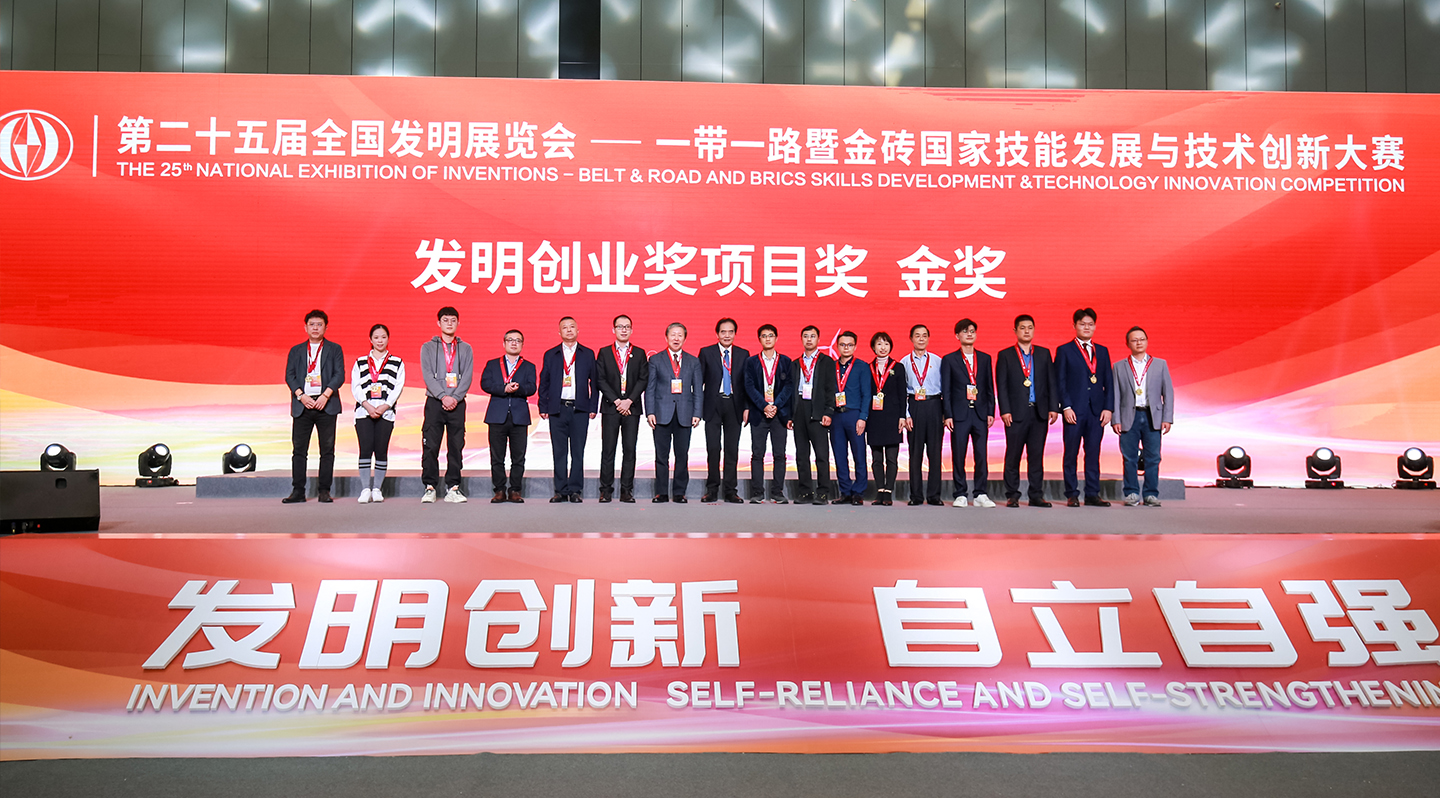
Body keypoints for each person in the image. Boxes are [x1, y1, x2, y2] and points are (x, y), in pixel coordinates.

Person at [995, 314, 1059, 507]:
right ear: (1015, 331)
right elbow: (1001, 385)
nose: (1026, 331)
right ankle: (1012, 495)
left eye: (1030, 327)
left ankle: (1036, 495)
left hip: (1039, 413)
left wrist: (1053, 407)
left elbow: (1051, 382)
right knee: (1013, 456)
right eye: (1022, 328)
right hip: (1015, 414)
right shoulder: (1005, 355)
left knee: (1036, 456)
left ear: (1034, 330)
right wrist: (1005, 410)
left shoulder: (1043, 354)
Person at [283, 309, 344, 503]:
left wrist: (325, 395)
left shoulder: (334, 349)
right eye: (312, 324)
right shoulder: (296, 350)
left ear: (326, 327)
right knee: (299, 451)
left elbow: (339, 375)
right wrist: (301, 396)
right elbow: (290, 376)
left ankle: (324, 491)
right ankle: (298, 491)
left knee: (327, 451)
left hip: (326, 404)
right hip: (303, 405)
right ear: (305, 327)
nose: (315, 328)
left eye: (319, 324)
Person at [1056, 308, 1114, 507]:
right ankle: (1072, 493)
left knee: (1093, 453)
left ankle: (1092, 493)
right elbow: (1060, 381)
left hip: (1096, 412)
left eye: (1090, 324)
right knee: (1070, 454)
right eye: (1082, 324)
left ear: (1095, 326)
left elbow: (1109, 382)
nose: (1086, 327)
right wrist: (1066, 407)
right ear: (1074, 326)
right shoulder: (1064, 350)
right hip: (1074, 411)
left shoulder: (1103, 351)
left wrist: (1108, 408)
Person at [1112, 326, 1174, 507]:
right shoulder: (1119, 366)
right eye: (1134, 340)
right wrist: (1116, 419)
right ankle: (1131, 493)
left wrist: (1167, 418)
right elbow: (1115, 395)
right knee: (1129, 457)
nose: (1138, 343)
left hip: (1152, 416)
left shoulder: (1160, 364)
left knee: (1153, 457)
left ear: (1147, 341)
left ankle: (1151, 494)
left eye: (1142, 339)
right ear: (1127, 344)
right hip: (1128, 416)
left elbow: (1168, 393)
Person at [538, 316, 599, 503]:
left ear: (578, 330)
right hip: (557, 409)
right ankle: (560, 490)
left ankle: (575, 490)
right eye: (565, 327)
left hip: (580, 409)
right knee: (559, 452)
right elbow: (544, 382)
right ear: (559, 332)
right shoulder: (551, 354)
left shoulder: (587, 354)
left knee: (578, 452)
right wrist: (543, 406)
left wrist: (593, 407)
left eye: (572, 327)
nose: (569, 330)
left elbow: (595, 383)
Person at [420, 306, 474, 504]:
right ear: (438, 323)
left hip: (457, 404)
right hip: (435, 402)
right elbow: (427, 375)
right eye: (445, 320)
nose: (449, 323)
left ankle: (453, 487)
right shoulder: (428, 347)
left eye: (453, 320)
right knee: (430, 446)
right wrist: (443, 396)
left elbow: (467, 376)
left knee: (456, 446)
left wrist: (455, 398)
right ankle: (430, 487)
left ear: (458, 323)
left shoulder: (466, 348)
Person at [941, 319, 996, 508]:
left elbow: (989, 387)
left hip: (980, 414)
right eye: (965, 331)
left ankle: (981, 493)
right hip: (959, 415)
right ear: (957, 336)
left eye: (972, 331)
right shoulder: (949, 359)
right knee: (959, 455)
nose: (969, 334)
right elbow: (946, 390)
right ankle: (960, 493)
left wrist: (990, 411)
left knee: (981, 454)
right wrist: (948, 414)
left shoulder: (985, 358)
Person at [646, 322, 703, 503]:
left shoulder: (693, 361)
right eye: (673, 335)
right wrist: (650, 412)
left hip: (685, 414)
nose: (676, 338)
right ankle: (661, 492)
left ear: (685, 339)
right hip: (661, 414)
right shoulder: (656, 360)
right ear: (666, 337)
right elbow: (650, 389)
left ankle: (679, 492)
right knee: (661, 456)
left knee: (682, 456)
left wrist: (697, 413)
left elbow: (698, 390)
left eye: (680, 335)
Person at [351, 323, 405, 504]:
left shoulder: (397, 362)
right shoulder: (360, 362)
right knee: (365, 449)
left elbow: (398, 387)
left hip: (386, 413)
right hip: (363, 412)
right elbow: (356, 387)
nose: (380, 341)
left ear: (388, 339)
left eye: (383, 337)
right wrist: (367, 405)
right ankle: (365, 489)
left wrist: (385, 406)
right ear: (370, 340)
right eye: (376, 337)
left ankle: (377, 489)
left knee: (381, 450)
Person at [480, 329, 536, 503]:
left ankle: (515, 490)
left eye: (518, 340)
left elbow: (532, 388)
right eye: (510, 340)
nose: (514, 343)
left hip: (519, 417)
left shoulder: (529, 366)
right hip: (497, 416)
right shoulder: (492, 364)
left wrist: (518, 389)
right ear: (504, 343)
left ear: (522, 344)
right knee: (497, 457)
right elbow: (485, 384)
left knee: (518, 457)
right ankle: (499, 490)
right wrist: (503, 389)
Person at [596, 314, 647, 503]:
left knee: (630, 450)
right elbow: (600, 379)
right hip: (611, 407)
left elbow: (643, 379)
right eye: (620, 326)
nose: (623, 330)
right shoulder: (604, 352)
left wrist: (629, 401)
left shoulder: (639, 353)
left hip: (632, 409)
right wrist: (617, 401)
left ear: (631, 330)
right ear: (613, 330)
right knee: (608, 450)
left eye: (627, 327)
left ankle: (626, 490)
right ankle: (606, 490)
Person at [699, 318, 750, 503]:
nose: (727, 335)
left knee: (732, 450)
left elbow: (747, 384)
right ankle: (712, 490)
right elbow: (698, 382)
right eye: (723, 332)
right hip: (713, 405)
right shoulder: (706, 352)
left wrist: (746, 407)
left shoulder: (743, 354)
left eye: (730, 332)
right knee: (713, 449)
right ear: (717, 333)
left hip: (734, 405)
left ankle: (730, 491)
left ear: (735, 334)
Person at [743, 324, 793, 503]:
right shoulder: (751, 362)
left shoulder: (786, 361)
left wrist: (775, 406)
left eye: (771, 335)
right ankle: (757, 492)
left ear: (776, 338)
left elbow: (789, 386)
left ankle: (777, 492)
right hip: (759, 414)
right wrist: (764, 406)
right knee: (758, 454)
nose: (768, 339)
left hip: (779, 414)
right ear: (759, 339)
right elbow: (749, 386)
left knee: (780, 454)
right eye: (764, 336)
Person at [789, 325, 836, 505]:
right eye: (806, 336)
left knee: (821, 455)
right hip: (799, 408)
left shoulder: (827, 361)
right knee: (801, 455)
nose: (809, 339)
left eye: (812, 336)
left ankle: (823, 492)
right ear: (801, 339)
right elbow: (791, 391)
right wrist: (790, 415)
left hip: (818, 409)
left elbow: (831, 389)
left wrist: (828, 411)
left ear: (818, 339)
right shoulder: (795, 363)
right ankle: (805, 491)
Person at [902, 324, 945, 506]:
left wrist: (945, 413)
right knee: (915, 454)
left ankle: (934, 496)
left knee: (935, 454)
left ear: (928, 338)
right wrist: (906, 415)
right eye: (917, 335)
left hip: (934, 405)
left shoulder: (938, 361)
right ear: (911, 338)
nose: (921, 339)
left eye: (924, 335)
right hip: (914, 407)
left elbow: (946, 389)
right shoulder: (904, 362)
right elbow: (901, 392)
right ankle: (916, 496)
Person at [829, 331, 873, 505]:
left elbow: (867, 394)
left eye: (849, 345)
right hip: (836, 416)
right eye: (842, 345)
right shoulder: (831, 367)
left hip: (854, 414)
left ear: (855, 346)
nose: (846, 348)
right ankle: (845, 491)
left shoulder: (862, 366)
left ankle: (858, 492)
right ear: (837, 346)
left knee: (859, 455)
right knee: (839, 455)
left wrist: (863, 417)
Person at [866, 332, 907, 506]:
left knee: (891, 458)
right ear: (873, 347)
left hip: (892, 417)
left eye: (886, 344)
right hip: (874, 418)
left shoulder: (898, 367)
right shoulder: (868, 368)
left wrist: (902, 416)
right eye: (879, 344)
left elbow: (902, 394)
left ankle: (889, 491)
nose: (883, 348)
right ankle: (879, 490)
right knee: (876, 458)